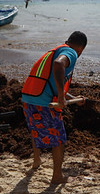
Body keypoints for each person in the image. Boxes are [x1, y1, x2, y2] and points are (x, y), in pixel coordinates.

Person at [21, 31, 87, 184]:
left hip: (29, 97)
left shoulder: (57, 49)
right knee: (58, 139)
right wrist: (62, 97)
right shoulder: (71, 52)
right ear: (81, 49)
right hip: (44, 103)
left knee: (35, 129)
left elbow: (50, 81)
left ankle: (36, 161)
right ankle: (57, 176)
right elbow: (59, 64)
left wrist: (70, 98)